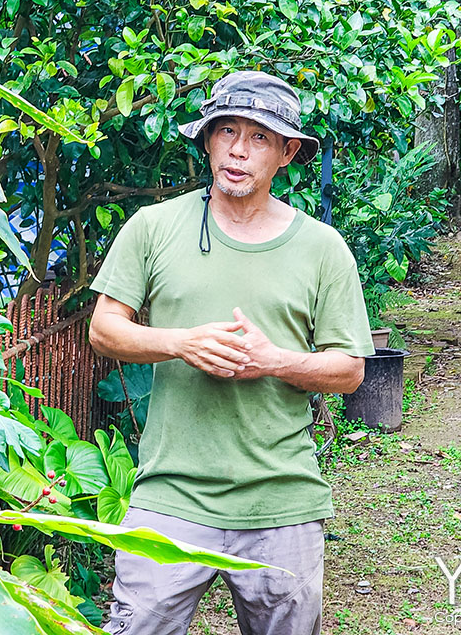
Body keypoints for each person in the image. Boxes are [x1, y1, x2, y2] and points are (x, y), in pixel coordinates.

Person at [87, 70, 374, 635]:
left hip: (282, 500)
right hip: (170, 494)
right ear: (207, 138)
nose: (238, 151)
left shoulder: (322, 249)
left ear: (288, 152)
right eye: (226, 132)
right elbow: (104, 330)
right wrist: (181, 342)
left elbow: (350, 370)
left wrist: (276, 361)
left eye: (260, 137)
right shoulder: (155, 227)